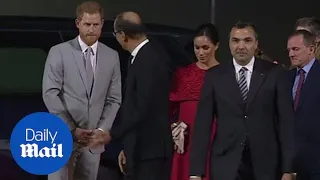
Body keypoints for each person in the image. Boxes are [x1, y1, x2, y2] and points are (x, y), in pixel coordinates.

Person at [189, 21, 295, 180]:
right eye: (236, 40)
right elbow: (202, 125)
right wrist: (196, 172)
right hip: (226, 163)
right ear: (229, 44)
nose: (241, 46)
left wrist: (289, 168)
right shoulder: (215, 76)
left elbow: (286, 123)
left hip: (265, 164)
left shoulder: (275, 73)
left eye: (247, 40)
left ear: (256, 44)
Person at [42, 1, 122, 180]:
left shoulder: (111, 56)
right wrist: (71, 128)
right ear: (78, 23)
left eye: (96, 25)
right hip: (62, 138)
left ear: (102, 24)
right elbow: (50, 93)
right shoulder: (59, 52)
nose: (91, 29)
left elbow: (114, 99)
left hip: (93, 143)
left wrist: (101, 130)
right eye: (87, 24)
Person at [106, 11, 173, 180]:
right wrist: (127, 148)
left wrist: (112, 134)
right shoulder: (143, 56)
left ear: (122, 35)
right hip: (139, 149)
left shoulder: (149, 59)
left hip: (150, 152)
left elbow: (142, 108)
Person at [170, 23, 219, 180]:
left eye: (205, 47)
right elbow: (169, 110)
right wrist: (174, 129)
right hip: (186, 139)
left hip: (215, 140)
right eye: (197, 48)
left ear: (216, 46)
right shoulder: (183, 75)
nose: (200, 52)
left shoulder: (225, 75)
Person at [287, 30, 320, 180]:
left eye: (295, 49)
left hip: (315, 163)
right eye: (289, 50)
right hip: (290, 163)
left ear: (311, 49)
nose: (291, 54)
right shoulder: (286, 78)